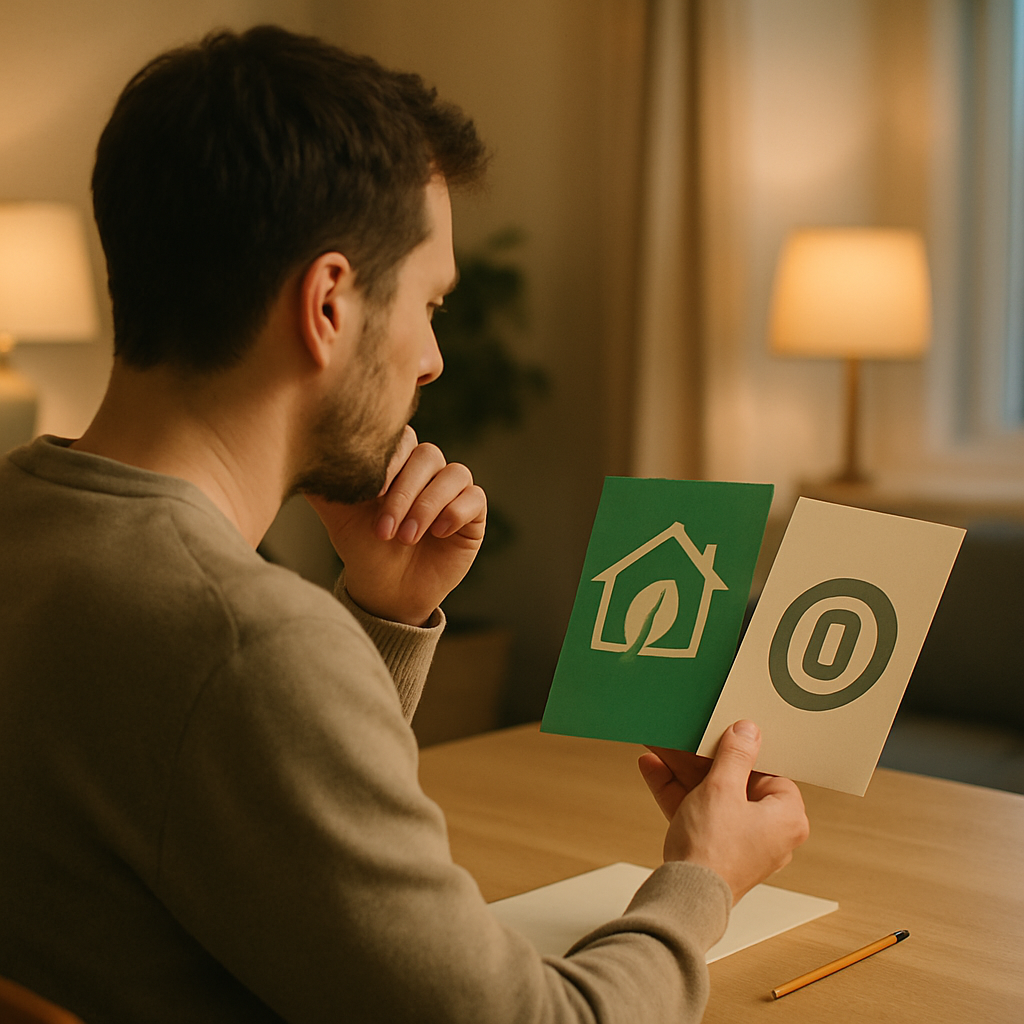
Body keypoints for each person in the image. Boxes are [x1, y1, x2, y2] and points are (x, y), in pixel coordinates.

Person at [0, 25, 808, 1024]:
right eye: (429, 304)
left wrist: (378, 617)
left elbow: (239, 827)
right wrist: (704, 876)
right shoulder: (246, 642)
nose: (430, 357)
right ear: (329, 304)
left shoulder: (30, 525)